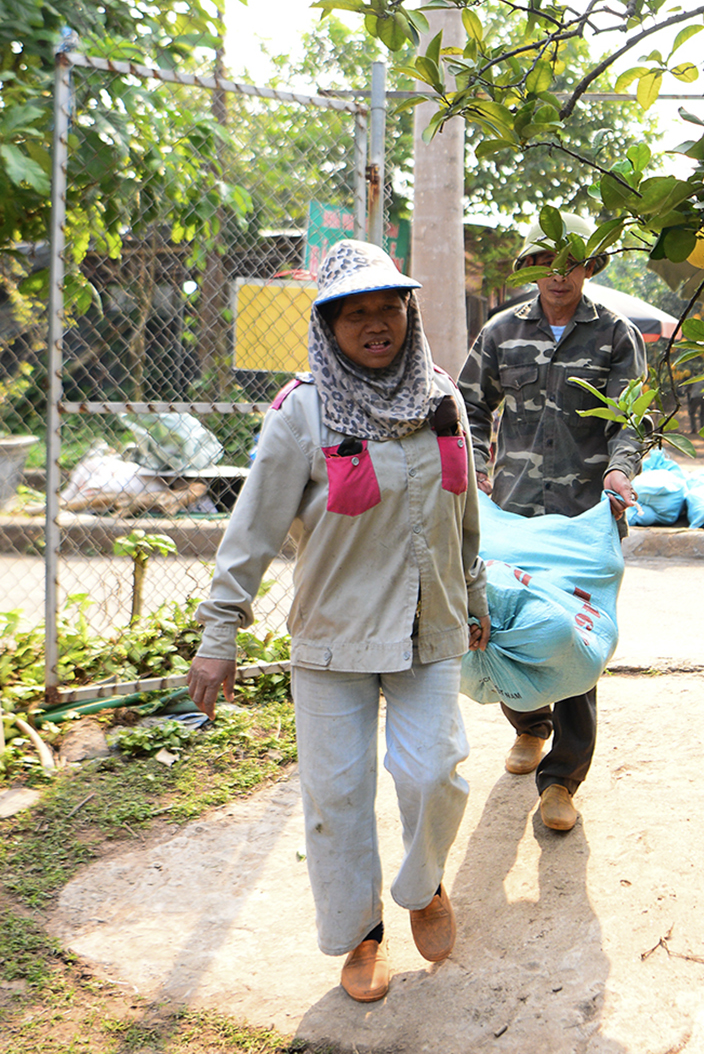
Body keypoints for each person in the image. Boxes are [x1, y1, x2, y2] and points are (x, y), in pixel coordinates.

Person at [186, 240, 489, 1004]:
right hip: (333, 636)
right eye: (356, 312)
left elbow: (464, 514)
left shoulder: (440, 398)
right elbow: (250, 533)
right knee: (338, 794)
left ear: (407, 312)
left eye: (389, 306)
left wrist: (476, 595)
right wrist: (218, 636)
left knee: (436, 769)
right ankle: (362, 935)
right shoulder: (302, 412)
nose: (376, 323)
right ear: (328, 323)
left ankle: (423, 885)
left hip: (429, 624)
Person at [458, 213, 646, 834]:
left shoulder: (616, 335)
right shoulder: (500, 332)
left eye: (571, 261)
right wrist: (476, 469)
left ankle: (563, 777)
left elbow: (629, 419)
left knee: (574, 640)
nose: (559, 274)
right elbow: (469, 407)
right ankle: (529, 725)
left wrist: (620, 473)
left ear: (590, 266)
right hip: (510, 511)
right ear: (534, 268)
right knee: (505, 623)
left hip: (585, 515)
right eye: (547, 261)